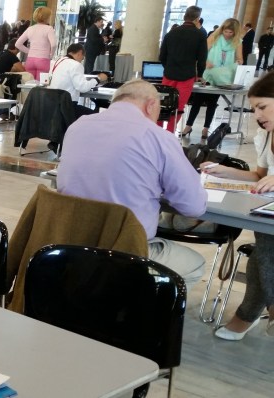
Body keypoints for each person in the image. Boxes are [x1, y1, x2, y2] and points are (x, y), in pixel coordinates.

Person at [58, 79, 208, 286]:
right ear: (151, 105)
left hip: (71, 240)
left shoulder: (77, 126)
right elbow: (193, 207)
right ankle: (137, 310)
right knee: (194, 263)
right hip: (125, 250)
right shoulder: (158, 137)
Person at [203, 72, 274, 341]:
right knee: (264, 251)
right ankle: (254, 314)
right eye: (255, 108)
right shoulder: (266, 136)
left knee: (264, 252)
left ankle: (246, 316)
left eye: (262, 106)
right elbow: (258, 177)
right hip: (266, 214)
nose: (257, 114)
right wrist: (223, 171)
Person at [181, 18, 243, 140]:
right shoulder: (213, 37)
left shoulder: (238, 42)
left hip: (223, 77)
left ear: (235, 33)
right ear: (222, 29)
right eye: (226, 31)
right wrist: (206, 61)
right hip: (208, 74)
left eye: (231, 33)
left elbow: (240, 58)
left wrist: (239, 62)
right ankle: (188, 126)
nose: (228, 35)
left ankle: (206, 128)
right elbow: (202, 53)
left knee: (212, 103)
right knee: (197, 101)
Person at [159, 6, 208, 134]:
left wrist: (168, 68)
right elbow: (202, 60)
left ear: (184, 17)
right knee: (178, 107)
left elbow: (162, 57)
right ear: (197, 19)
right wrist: (200, 75)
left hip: (169, 75)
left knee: (163, 105)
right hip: (187, 76)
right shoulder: (200, 35)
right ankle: (170, 132)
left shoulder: (171, 33)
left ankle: (157, 132)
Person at [47, 43, 109, 118]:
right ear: (80, 53)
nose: (82, 60)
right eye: (83, 57)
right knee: (96, 116)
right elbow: (82, 88)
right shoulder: (75, 65)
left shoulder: (56, 62)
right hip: (67, 107)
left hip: (53, 105)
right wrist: (98, 79)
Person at [0, 39, 26, 120]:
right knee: (15, 85)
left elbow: (9, 69)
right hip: (0, 81)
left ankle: (4, 111)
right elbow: (22, 69)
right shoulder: (11, 56)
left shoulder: (2, 53)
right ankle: (4, 111)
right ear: (17, 48)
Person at [16, 6, 57, 81]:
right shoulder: (49, 28)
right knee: (41, 85)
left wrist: (29, 51)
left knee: (29, 84)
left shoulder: (30, 28)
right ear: (47, 17)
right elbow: (53, 44)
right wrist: (51, 55)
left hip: (30, 60)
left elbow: (18, 44)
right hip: (43, 60)